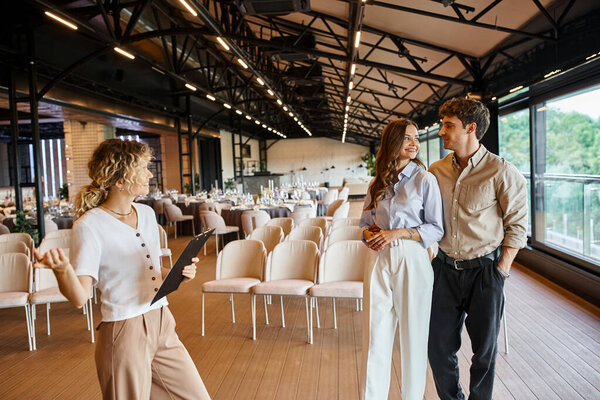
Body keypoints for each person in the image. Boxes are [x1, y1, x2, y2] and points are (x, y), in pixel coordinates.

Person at [34, 139, 211, 400]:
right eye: (143, 168)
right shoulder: (90, 224)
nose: (150, 174)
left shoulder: (147, 214)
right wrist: (62, 270)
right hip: (124, 329)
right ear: (120, 179)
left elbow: (151, 269)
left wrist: (177, 274)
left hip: (162, 320)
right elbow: (79, 297)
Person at [428, 97, 528, 400]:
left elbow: (518, 227)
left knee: (484, 352)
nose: (441, 131)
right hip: (443, 271)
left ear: (470, 128)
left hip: (486, 273)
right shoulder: (436, 171)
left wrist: (501, 272)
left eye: (448, 125)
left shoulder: (501, 171)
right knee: (437, 347)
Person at [359, 118, 444, 400]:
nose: (414, 144)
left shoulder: (424, 180)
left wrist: (398, 233)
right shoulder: (376, 183)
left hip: (411, 259)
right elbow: (364, 223)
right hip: (378, 260)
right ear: (392, 143)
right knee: (375, 338)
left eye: (416, 139)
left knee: (414, 339)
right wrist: (369, 234)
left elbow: (436, 228)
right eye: (407, 138)